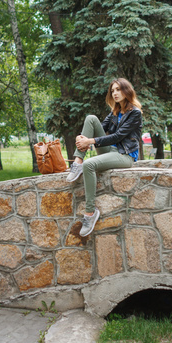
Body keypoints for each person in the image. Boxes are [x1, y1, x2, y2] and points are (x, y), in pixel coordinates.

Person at [67, 78, 143, 237]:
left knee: (89, 165)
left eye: (118, 90)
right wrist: (83, 139)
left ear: (126, 91)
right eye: (112, 91)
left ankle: (90, 213)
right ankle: (77, 161)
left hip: (124, 155)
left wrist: (90, 141)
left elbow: (118, 136)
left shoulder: (134, 113)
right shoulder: (115, 112)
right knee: (91, 118)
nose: (114, 93)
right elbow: (99, 128)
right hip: (110, 150)